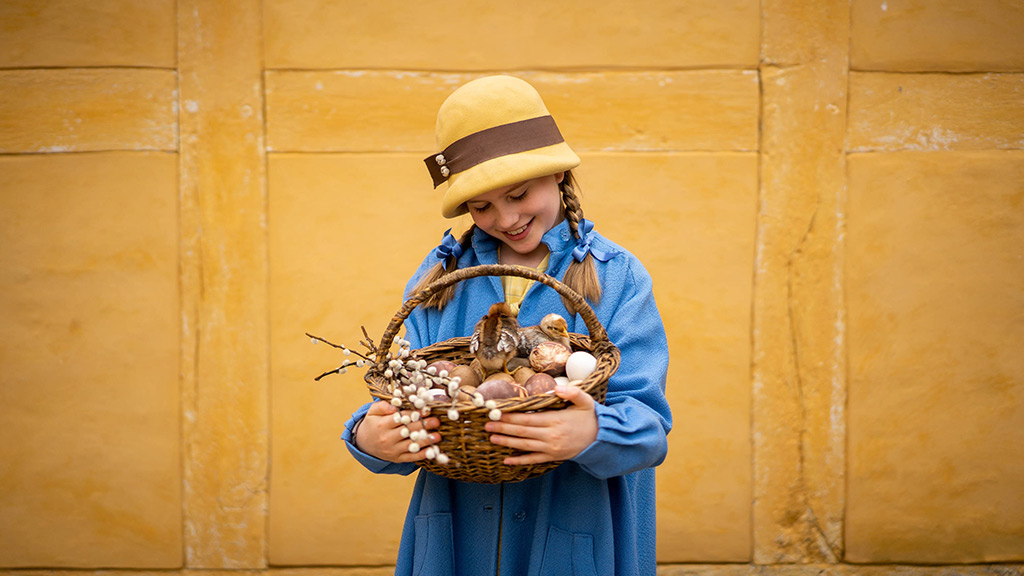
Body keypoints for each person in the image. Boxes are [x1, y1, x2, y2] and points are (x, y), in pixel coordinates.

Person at [342, 75, 672, 576]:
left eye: (519, 194)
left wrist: (593, 430)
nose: (507, 217)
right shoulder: (442, 280)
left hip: (574, 530)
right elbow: (410, 397)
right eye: (482, 206)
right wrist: (371, 437)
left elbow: (650, 428)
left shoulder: (617, 276)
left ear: (558, 173)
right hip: (457, 540)